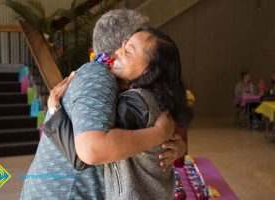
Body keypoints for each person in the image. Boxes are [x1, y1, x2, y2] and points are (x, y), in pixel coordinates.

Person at [20, 9, 186, 200]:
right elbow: (91, 150)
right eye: (132, 39)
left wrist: (175, 145)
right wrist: (159, 134)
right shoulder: (100, 76)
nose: (122, 49)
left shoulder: (128, 88)